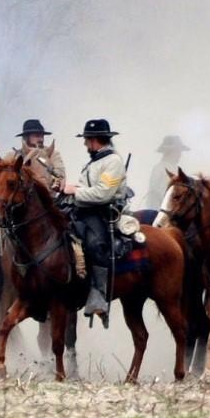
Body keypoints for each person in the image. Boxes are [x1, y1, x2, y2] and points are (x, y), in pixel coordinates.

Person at [0, 119, 65, 300]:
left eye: (41, 134)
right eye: (35, 134)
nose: (39, 137)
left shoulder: (52, 154)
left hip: (46, 204)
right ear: (26, 137)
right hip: (18, 208)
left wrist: (57, 181)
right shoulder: (13, 156)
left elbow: (60, 176)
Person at [61, 118, 127, 321]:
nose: (84, 144)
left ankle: (98, 294)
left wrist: (74, 191)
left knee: (94, 245)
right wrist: (66, 190)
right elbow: (84, 188)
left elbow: (103, 194)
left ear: (95, 140)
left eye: (86, 139)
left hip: (102, 212)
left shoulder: (113, 162)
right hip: (85, 210)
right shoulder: (93, 162)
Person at [143, 134, 190, 210]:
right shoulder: (159, 168)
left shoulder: (177, 169)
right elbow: (155, 191)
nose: (180, 155)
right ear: (170, 152)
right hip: (157, 210)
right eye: (177, 151)